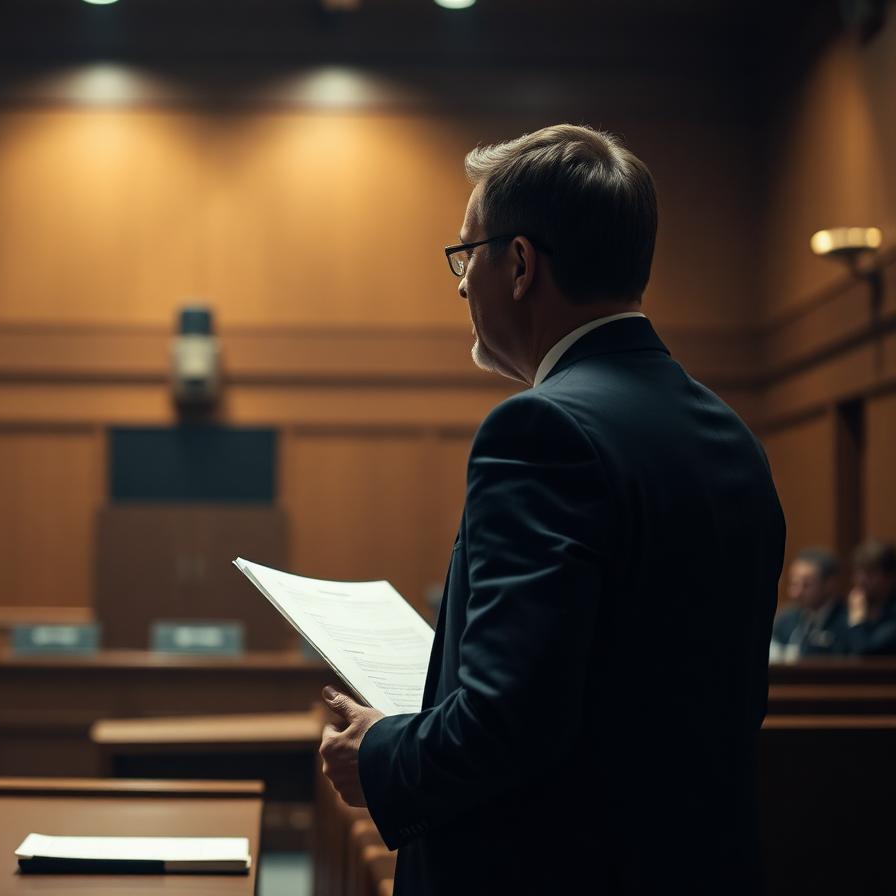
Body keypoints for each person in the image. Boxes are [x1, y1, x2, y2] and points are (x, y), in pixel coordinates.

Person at [317, 125, 785, 894]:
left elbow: (509, 725)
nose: (464, 285)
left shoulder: (542, 429)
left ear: (522, 264)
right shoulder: (732, 437)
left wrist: (380, 754)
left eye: (467, 256)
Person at [769, 547, 849, 660]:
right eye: (794, 584)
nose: (795, 593)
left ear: (829, 584)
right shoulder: (786, 619)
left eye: (806, 585)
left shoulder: (847, 621)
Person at [845, 540, 896, 655]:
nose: (861, 580)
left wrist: (856, 620)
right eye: (858, 572)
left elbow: (865, 652)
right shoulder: (847, 609)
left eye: (870, 573)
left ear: (889, 577)